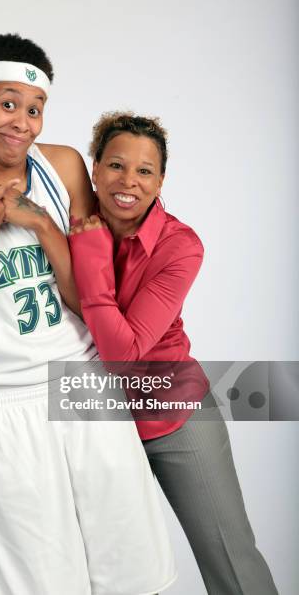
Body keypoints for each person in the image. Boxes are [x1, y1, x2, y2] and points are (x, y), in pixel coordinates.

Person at [0, 36, 176, 595]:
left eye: (34, 108)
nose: (22, 122)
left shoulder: (65, 166)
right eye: (7, 103)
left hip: (84, 386)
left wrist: (46, 228)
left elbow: (89, 299)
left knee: (137, 577)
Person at [68, 112, 278, 594]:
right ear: (94, 168)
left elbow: (126, 355)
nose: (129, 182)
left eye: (145, 171)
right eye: (116, 165)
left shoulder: (181, 246)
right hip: (91, 416)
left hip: (173, 416)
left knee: (232, 562)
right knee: (97, 571)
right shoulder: (68, 226)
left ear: (161, 180)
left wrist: (95, 257)